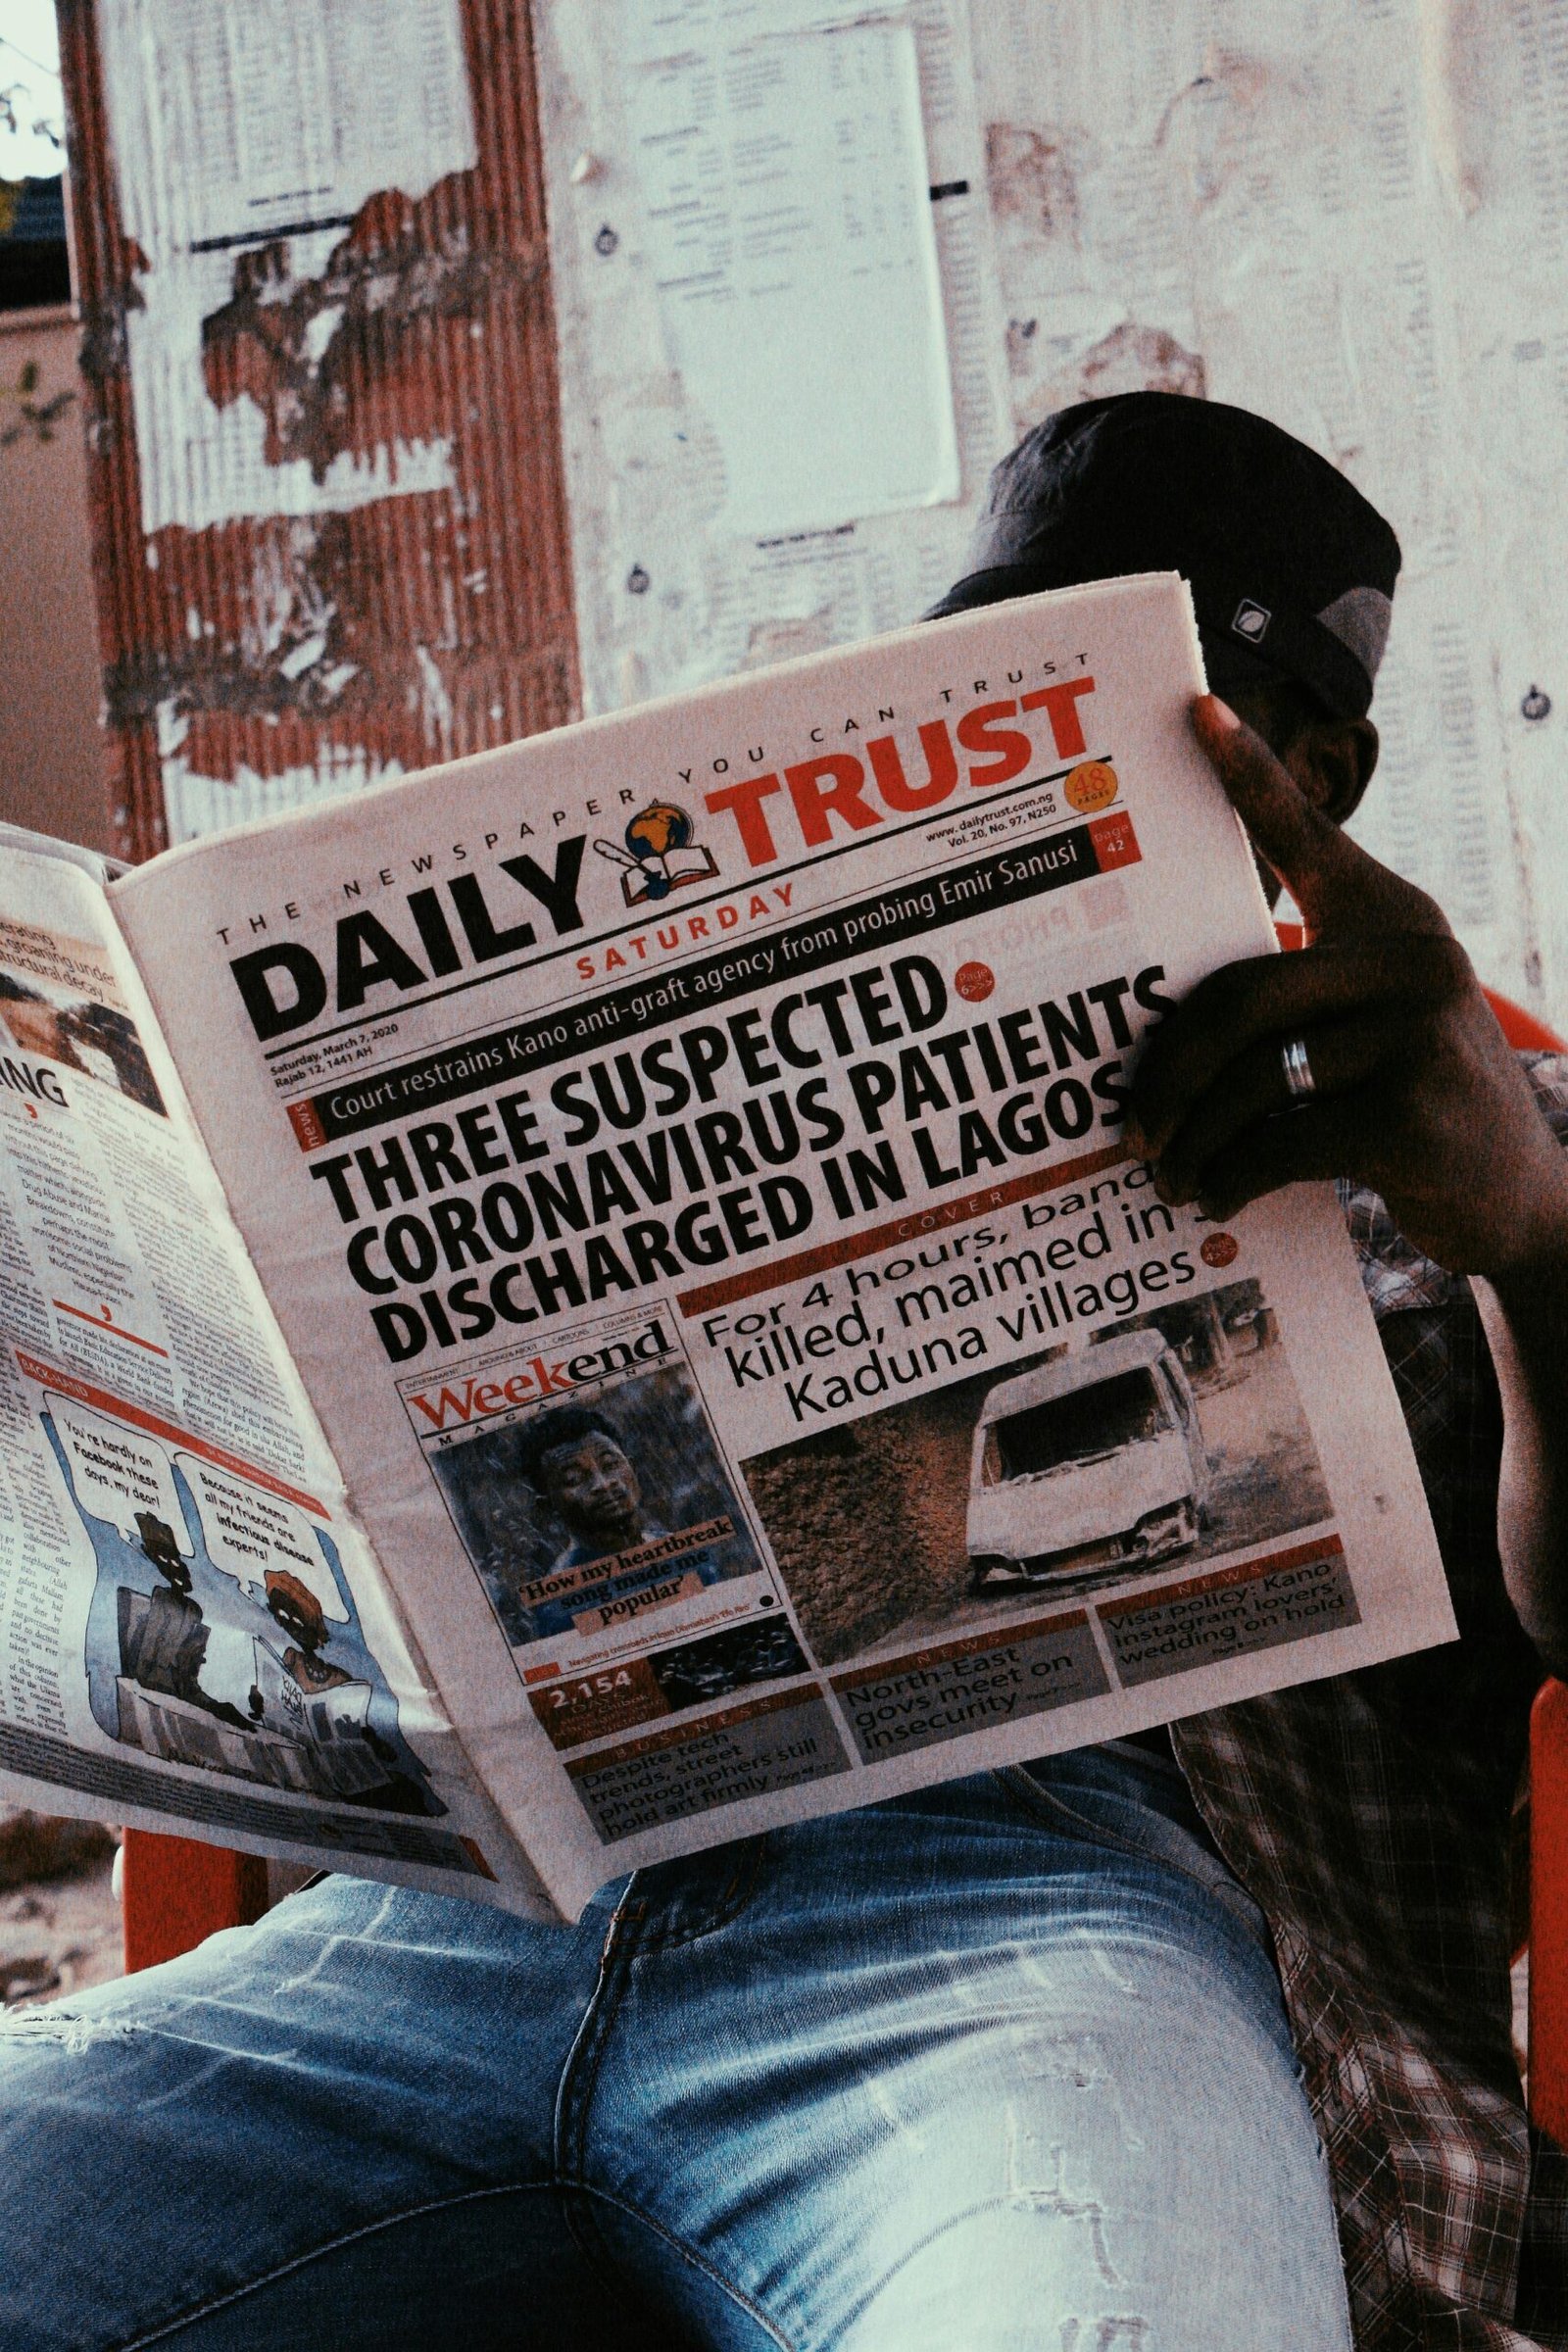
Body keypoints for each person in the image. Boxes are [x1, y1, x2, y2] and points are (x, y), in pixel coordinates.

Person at [3, 393, 1567, 2352]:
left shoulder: (1473, 1114)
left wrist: (1530, 1244)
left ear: (1312, 769)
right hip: (454, 1924)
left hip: (1034, 1924)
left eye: (1116, 684)